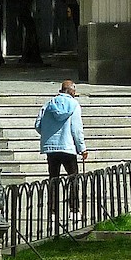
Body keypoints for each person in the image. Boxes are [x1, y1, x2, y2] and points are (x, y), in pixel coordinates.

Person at [35, 80, 88, 220]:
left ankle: (52, 212)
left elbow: (38, 124)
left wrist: (48, 135)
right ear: (71, 91)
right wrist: (82, 148)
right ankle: (74, 210)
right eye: (74, 91)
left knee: (53, 179)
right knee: (73, 179)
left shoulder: (48, 104)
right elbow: (76, 130)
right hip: (68, 147)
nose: (75, 94)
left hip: (51, 148)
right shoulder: (74, 105)